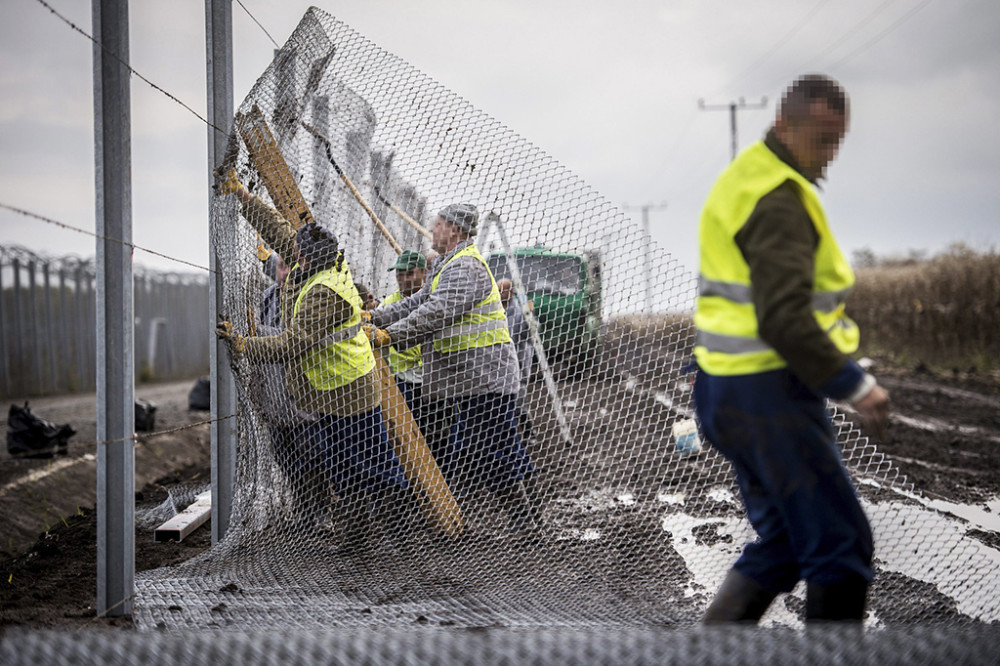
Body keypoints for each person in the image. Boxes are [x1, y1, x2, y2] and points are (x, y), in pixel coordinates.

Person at [692, 74, 890, 624]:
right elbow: (784, 317)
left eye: (837, 141)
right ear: (784, 124)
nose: (830, 154)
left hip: (724, 389)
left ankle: (704, 652)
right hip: (768, 394)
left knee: (784, 541)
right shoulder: (777, 196)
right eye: (821, 139)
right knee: (841, 545)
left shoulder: (745, 179)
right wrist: (854, 385)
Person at [214, 171, 412, 548]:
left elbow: (293, 344)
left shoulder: (324, 292)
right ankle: (355, 538)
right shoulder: (323, 262)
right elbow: (279, 232)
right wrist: (243, 196)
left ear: (304, 257)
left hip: (350, 390)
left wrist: (243, 345)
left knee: (374, 463)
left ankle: (401, 534)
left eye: (295, 251)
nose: (290, 252)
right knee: (342, 466)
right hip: (331, 389)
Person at [370, 203, 539, 530]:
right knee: (487, 450)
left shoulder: (465, 267)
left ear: (454, 230)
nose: (431, 230)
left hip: (486, 376)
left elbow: (437, 311)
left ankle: (524, 524)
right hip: (470, 379)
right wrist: (376, 318)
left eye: (437, 224)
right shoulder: (447, 265)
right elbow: (418, 302)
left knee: (492, 453)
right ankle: (522, 522)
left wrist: (389, 335)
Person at [382, 250, 429, 413]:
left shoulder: (434, 299)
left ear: (424, 272)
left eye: (409, 273)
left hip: (432, 375)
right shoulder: (387, 306)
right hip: (402, 378)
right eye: (399, 274)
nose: (403, 279)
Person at [497, 278, 534, 443]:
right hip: (499, 359)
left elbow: (528, 333)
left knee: (518, 398)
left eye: (502, 291)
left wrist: (530, 318)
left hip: (519, 359)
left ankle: (527, 432)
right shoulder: (495, 309)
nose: (499, 294)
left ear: (510, 292)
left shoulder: (520, 311)